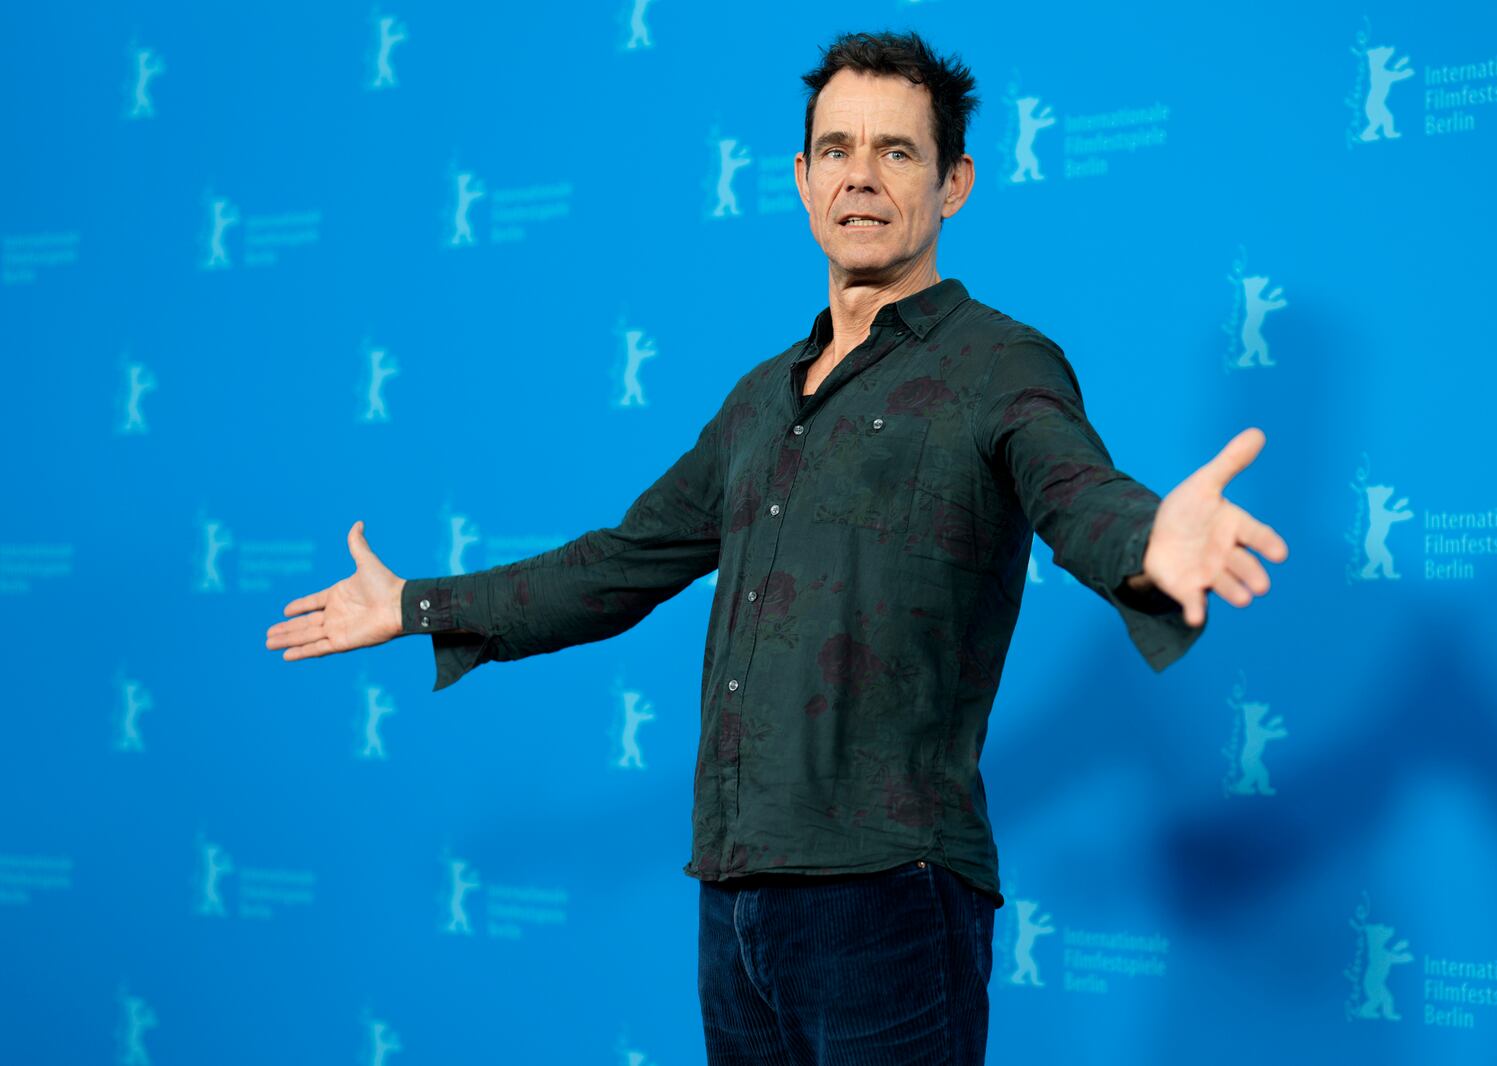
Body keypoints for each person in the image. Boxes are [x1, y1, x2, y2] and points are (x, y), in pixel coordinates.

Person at [264, 28, 1289, 1065]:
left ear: (954, 184)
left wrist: (1150, 537)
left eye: (897, 151)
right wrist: (415, 605)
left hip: (890, 896)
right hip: (732, 898)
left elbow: (1075, 488)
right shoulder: (758, 401)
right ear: (801, 180)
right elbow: (620, 562)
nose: (862, 176)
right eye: (836, 149)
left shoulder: (1001, 364)